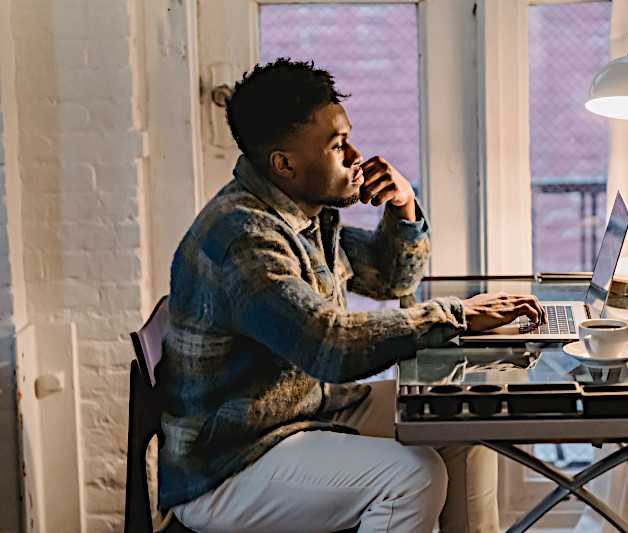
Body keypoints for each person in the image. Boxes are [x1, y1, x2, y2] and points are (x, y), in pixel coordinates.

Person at [158, 58, 545, 533]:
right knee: (413, 478)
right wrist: (455, 315)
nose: (356, 155)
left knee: (459, 418)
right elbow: (332, 347)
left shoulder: (304, 214)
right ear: (285, 163)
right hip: (230, 462)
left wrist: (403, 205)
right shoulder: (245, 238)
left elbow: (389, 280)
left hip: (302, 410)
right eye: (338, 145)